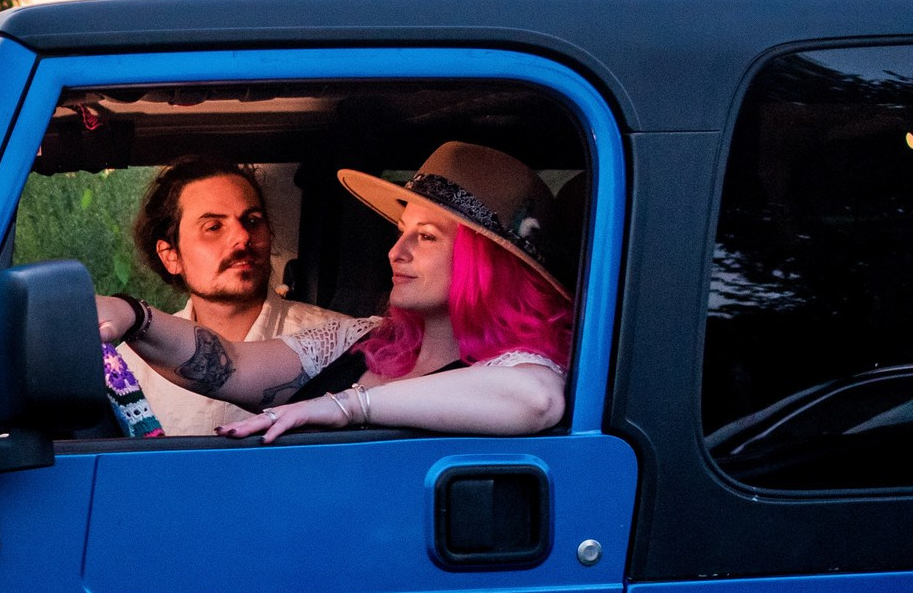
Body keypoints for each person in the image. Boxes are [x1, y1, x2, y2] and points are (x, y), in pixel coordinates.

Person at [96, 142, 575, 441]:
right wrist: (133, 314)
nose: (395, 252)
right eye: (401, 230)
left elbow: (536, 399)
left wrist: (344, 407)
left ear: (485, 264)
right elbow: (231, 366)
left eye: (425, 237)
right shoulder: (360, 339)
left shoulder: (519, 370)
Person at [109, 157, 363, 435]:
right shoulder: (128, 368)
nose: (242, 237)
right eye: (214, 227)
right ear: (171, 256)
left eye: (252, 221)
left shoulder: (342, 345)